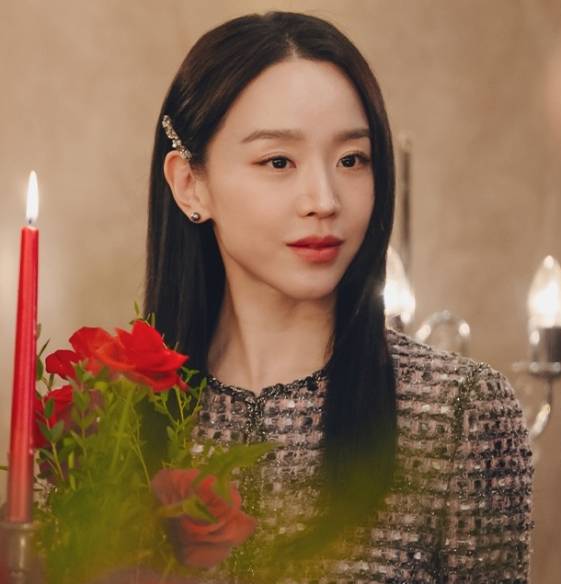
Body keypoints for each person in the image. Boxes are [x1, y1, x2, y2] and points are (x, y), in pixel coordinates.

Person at [144, 10, 534, 583]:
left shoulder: (458, 410)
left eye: (351, 160)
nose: (324, 200)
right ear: (189, 184)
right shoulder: (113, 420)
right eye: (279, 161)